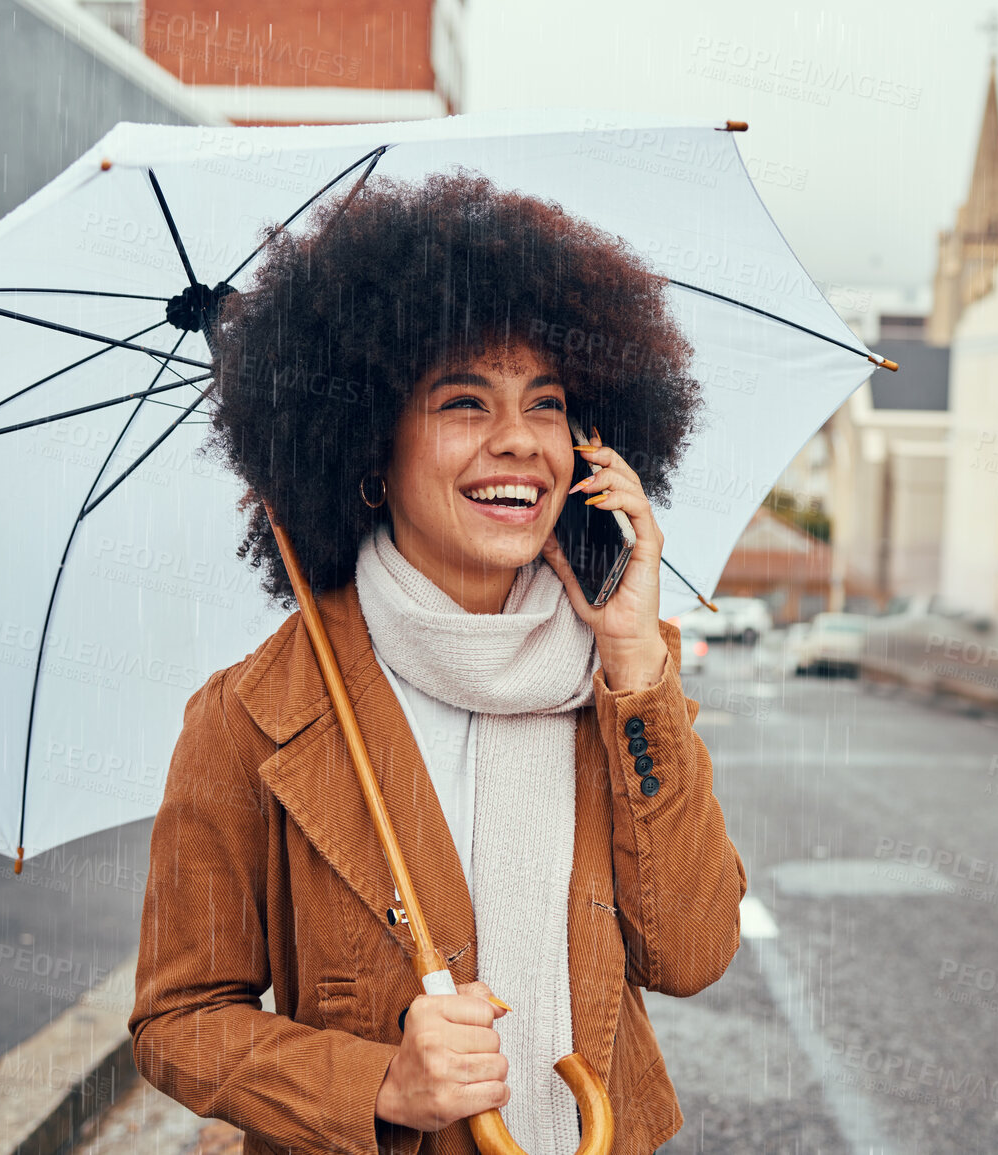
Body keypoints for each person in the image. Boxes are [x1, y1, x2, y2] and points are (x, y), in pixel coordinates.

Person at [127, 168, 747, 1155]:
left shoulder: (615, 680)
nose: (519, 443)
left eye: (546, 406)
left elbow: (692, 950)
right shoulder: (251, 717)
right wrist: (379, 1082)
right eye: (465, 403)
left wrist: (633, 659)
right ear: (369, 452)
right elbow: (176, 1021)